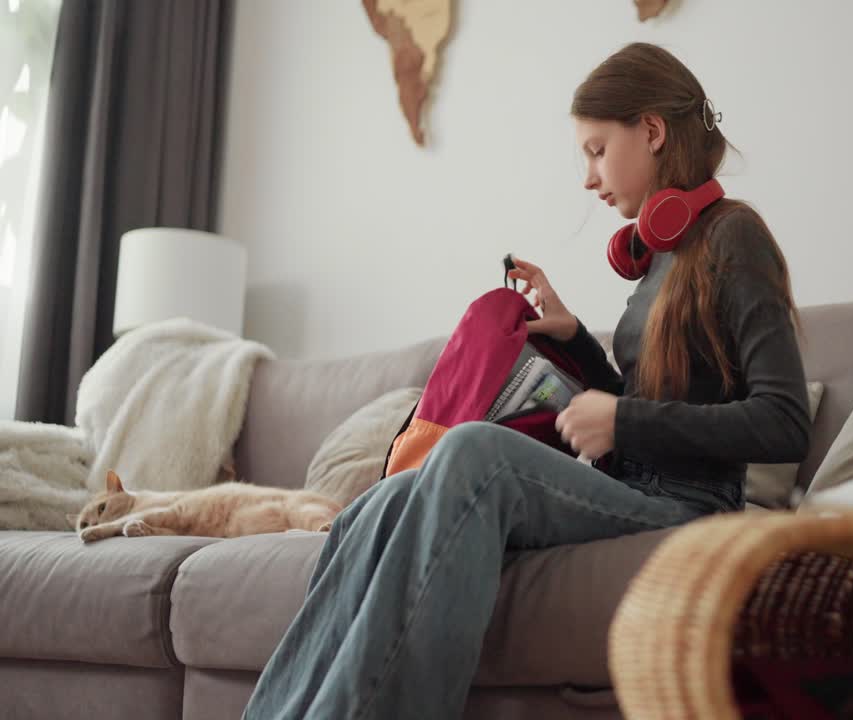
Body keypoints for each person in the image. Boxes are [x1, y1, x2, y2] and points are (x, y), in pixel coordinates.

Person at [242, 41, 811, 719]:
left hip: (690, 504)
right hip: (631, 482)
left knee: (475, 450)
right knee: (380, 505)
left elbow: (785, 422)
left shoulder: (732, 238)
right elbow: (656, 400)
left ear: (653, 131)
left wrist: (621, 421)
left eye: (597, 150)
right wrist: (576, 341)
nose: (588, 177)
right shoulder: (662, 258)